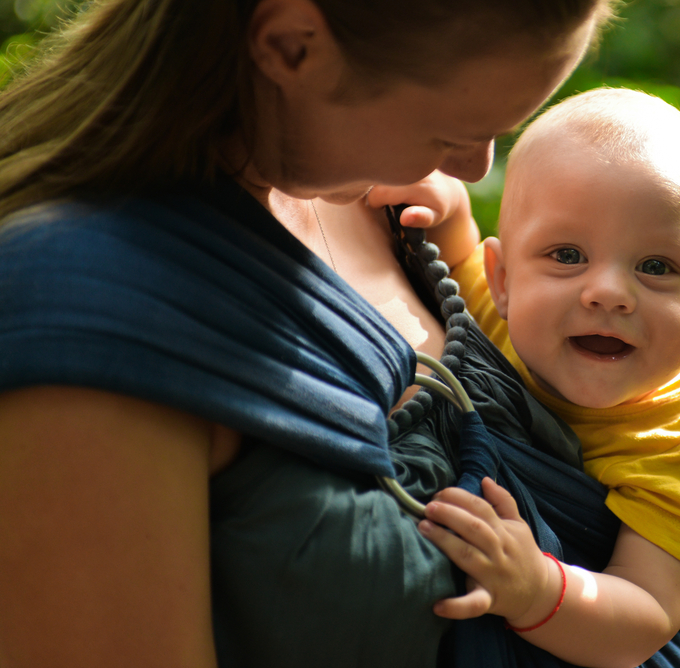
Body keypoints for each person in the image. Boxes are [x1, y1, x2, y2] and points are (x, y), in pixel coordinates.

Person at [0, 1, 614, 666]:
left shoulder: (384, 192)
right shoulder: (93, 327)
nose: (472, 167)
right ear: (292, 47)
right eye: (452, 131)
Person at [396, 88, 680, 668]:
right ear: (503, 279)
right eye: (567, 255)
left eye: (656, 267)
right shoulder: (500, 315)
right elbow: (454, 257)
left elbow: (646, 616)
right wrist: (449, 209)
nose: (609, 293)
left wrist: (535, 588)